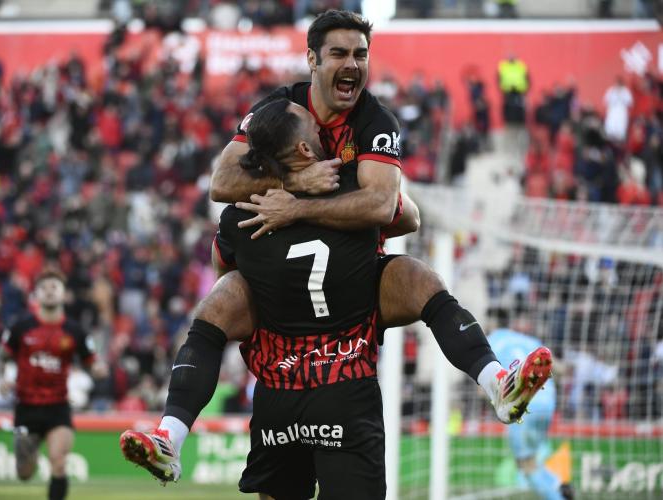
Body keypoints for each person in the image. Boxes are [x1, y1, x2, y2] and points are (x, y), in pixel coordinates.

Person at [120, 9, 552, 493]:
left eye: (361, 55)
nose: (353, 64)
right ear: (312, 60)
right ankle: (170, 436)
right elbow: (222, 181)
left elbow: (394, 210)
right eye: (340, 54)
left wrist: (296, 207)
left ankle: (496, 382)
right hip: (298, 332)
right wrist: (296, 184)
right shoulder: (280, 114)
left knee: (415, 277)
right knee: (225, 298)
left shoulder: (373, 121)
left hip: (350, 303)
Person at [0, 268, 96, 500]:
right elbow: (0, 357)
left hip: (58, 406)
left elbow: (91, 360)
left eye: (54, 287)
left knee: (58, 463)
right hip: (27, 406)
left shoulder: (74, 331)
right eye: (44, 288)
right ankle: (25, 448)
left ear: (63, 294)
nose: (49, 292)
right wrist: (1, 379)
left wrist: (97, 369)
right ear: (36, 294)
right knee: (24, 473)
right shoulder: (21, 327)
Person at [488, 311, 572, 500]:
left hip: (523, 402)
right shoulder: (529, 340)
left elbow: (487, 384)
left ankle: (558, 496)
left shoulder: (490, 342)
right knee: (533, 460)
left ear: (491, 325)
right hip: (548, 402)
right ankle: (559, 486)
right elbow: (557, 367)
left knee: (525, 465)